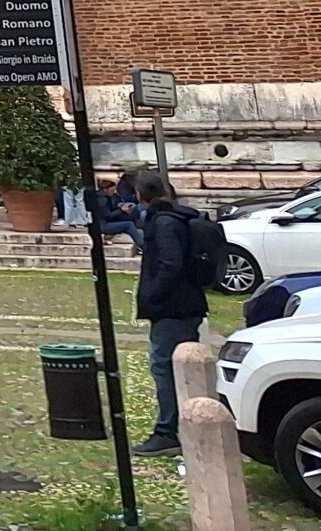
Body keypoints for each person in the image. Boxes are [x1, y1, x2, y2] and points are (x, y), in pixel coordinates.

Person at [133, 180, 215, 457]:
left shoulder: (164, 223)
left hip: (172, 307)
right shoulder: (177, 218)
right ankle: (188, 423)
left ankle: (167, 430)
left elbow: (171, 263)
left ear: (140, 195)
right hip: (186, 304)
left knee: (165, 367)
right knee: (181, 366)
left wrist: (152, 295)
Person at [89, 178, 144, 253]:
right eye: (112, 190)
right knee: (129, 224)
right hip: (103, 225)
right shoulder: (102, 200)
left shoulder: (106, 197)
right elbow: (108, 216)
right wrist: (121, 210)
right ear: (105, 190)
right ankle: (142, 245)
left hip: (104, 223)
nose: (113, 192)